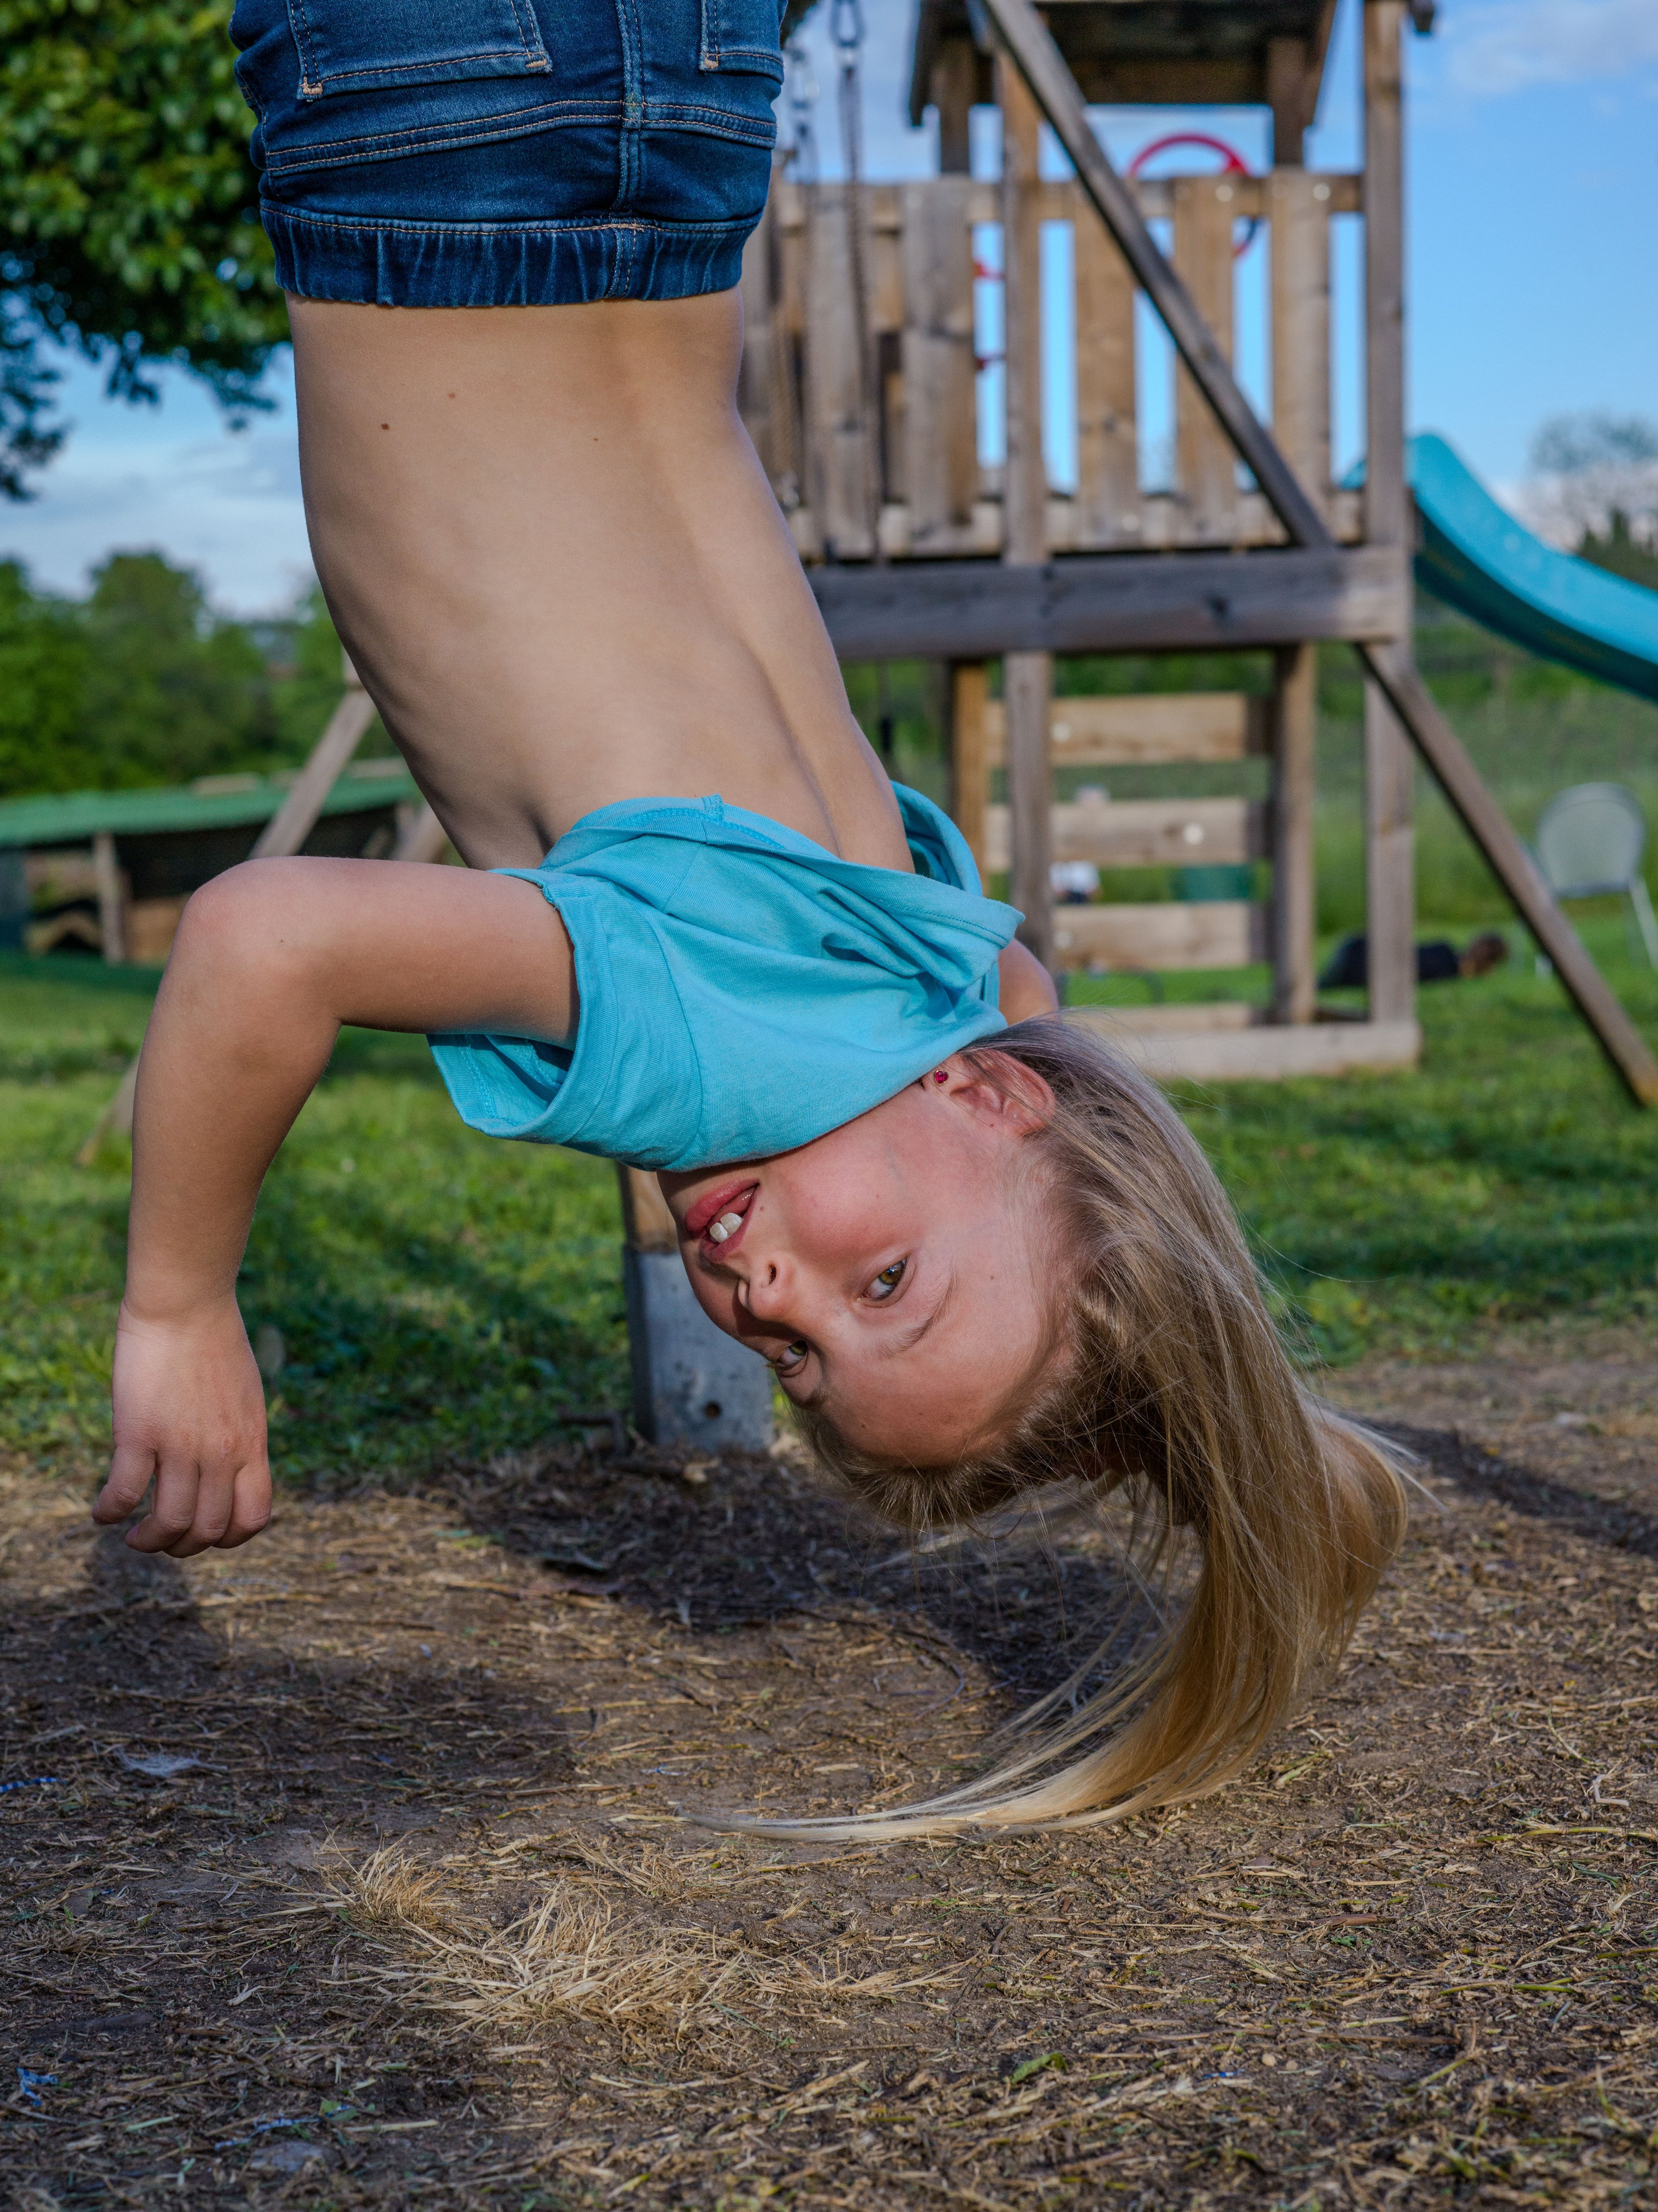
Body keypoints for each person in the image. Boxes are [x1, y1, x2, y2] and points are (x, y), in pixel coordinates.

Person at [91, 0, 1405, 1833]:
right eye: (886, 1289)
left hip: (682, 109)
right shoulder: (716, 1058)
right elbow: (259, 943)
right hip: (439, 145)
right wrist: (181, 1309)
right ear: (997, 1111)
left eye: (795, 1358)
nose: (770, 1299)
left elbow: (1038, 1036)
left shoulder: (960, 975)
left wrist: (1205, 1423)